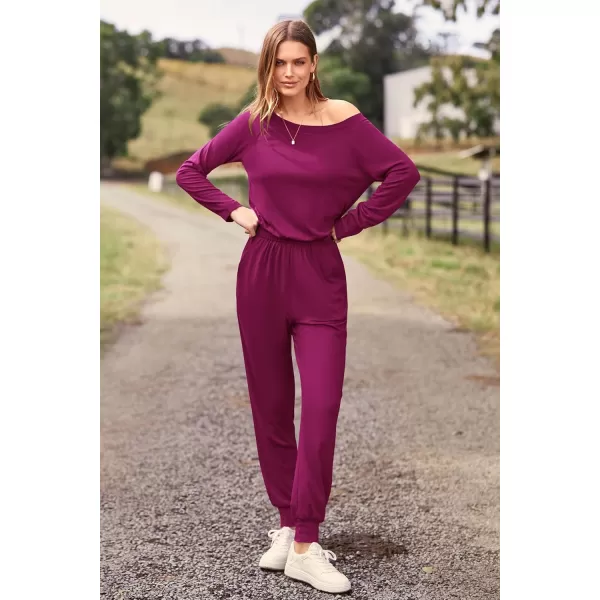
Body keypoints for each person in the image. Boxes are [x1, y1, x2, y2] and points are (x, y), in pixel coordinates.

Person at [176, 18, 420, 595]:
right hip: (262, 272)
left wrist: (350, 224)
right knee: (271, 406)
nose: (288, 73)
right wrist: (233, 210)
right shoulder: (253, 123)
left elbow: (401, 173)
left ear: (314, 64)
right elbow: (191, 171)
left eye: (298, 62)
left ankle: (307, 543)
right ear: (269, 66)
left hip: (319, 274)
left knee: (323, 406)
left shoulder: (346, 120)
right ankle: (287, 525)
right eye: (279, 63)